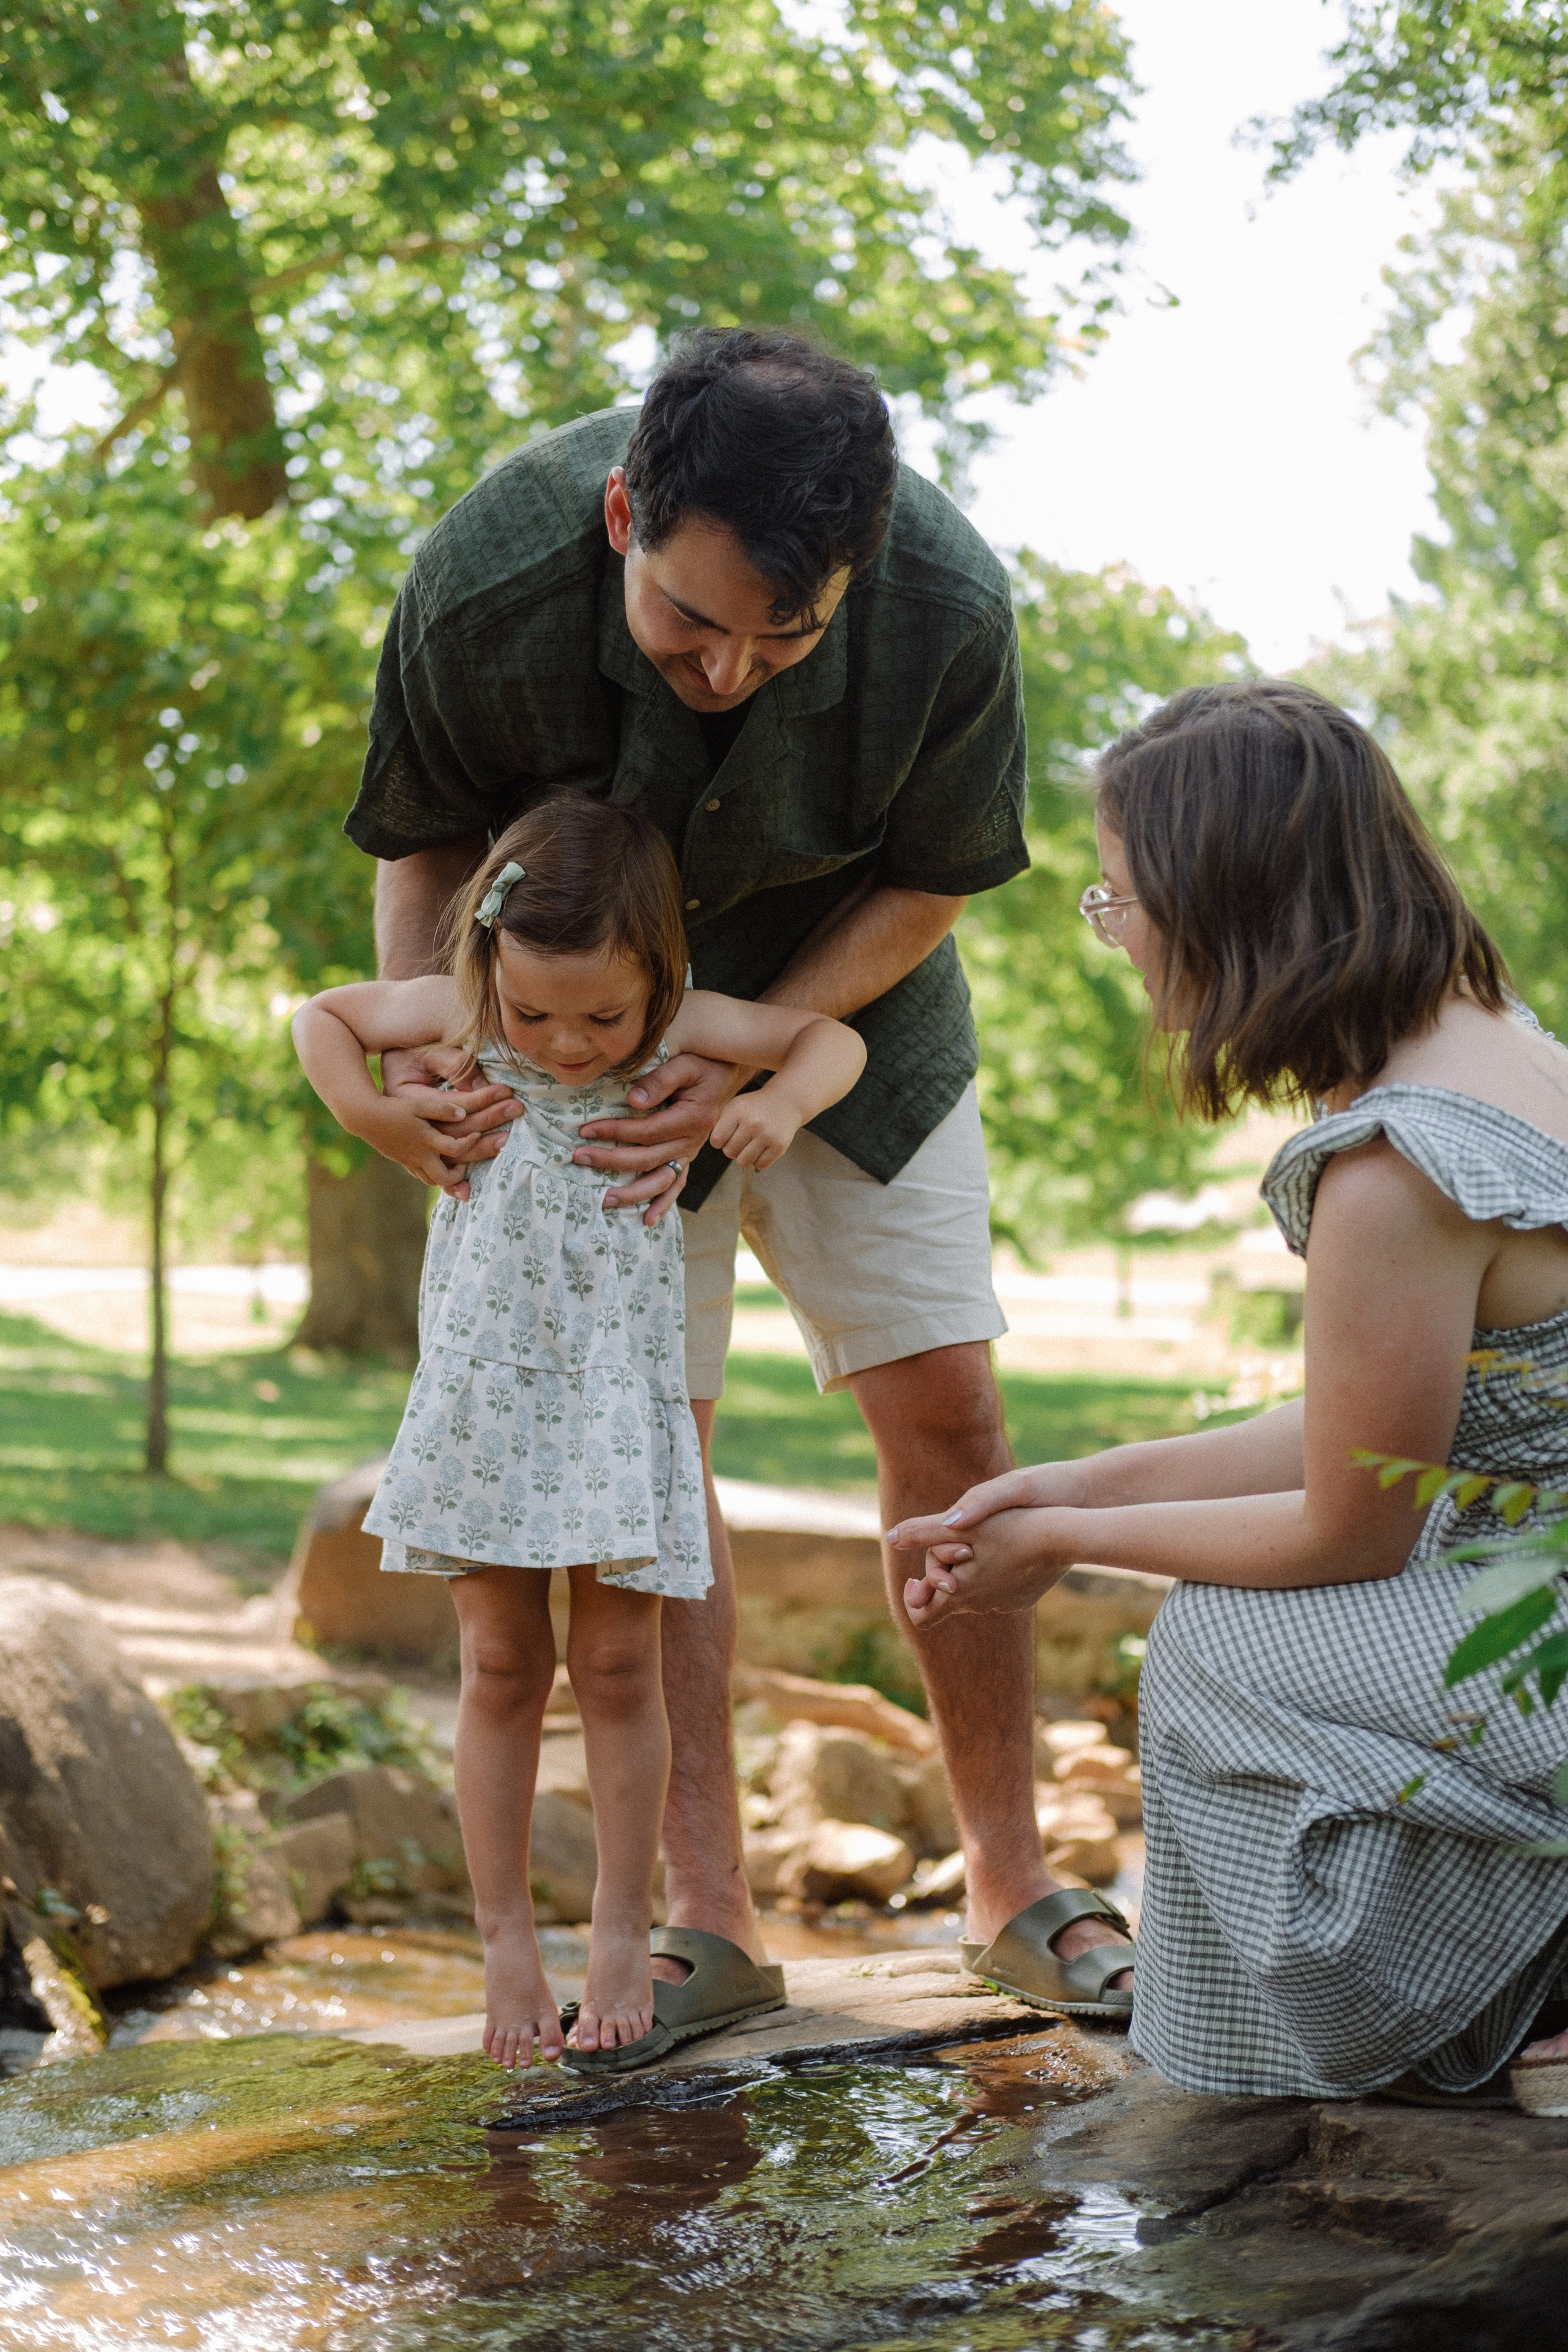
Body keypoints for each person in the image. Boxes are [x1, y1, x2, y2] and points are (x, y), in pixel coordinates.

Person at [341, 324, 1137, 2047]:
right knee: (654, 1449)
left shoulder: (951, 607)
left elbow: (935, 885)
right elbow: (418, 836)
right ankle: (708, 1918)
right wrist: (438, 1067)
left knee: (952, 1411)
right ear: (626, 513)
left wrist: (765, 1048)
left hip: (851, 1020)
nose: (736, 671)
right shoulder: (483, 580)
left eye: (793, 634)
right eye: (694, 624)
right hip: (558, 1058)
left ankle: (1013, 1886)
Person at [889, 677, 1568, 2103]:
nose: (1113, 930)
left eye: (1120, 895)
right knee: (1262, 1625)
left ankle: (1350, 2044)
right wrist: (1069, 1485)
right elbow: (1375, 1425)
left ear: (1225, 902)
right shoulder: (1504, 1045)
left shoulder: (1394, 1163)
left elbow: (1349, 1524)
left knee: (1223, 1649)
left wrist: (1067, 1549)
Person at [292, 797, 865, 2071]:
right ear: (488, 964)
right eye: (531, 1013)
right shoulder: (461, 1015)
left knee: (618, 1670)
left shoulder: (679, 1025)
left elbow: (829, 1037)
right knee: (499, 1665)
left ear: (659, 978)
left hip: (615, 1400)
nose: (561, 1045)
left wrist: (780, 1105)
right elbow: (318, 1017)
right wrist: (372, 1114)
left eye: (601, 1018)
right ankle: (502, 1939)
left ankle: (619, 1928)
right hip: (488, 1395)